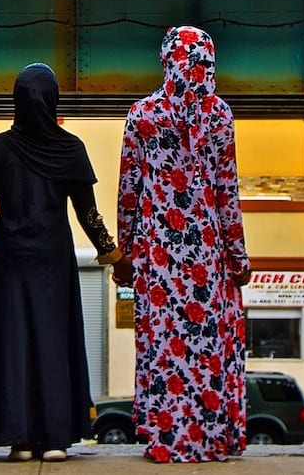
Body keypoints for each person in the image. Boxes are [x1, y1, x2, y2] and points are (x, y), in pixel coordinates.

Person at [0, 62, 129, 462]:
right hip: (53, 263)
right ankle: (55, 439)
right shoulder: (70, 148)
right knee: (53, 343)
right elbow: (88, 214)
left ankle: (21, 440)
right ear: (53, 101)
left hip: (11, 262)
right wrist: (115, 257)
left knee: (13, 345)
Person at [113, 26, 252, 463]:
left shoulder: (143, 114)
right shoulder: (220, 115)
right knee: (205, 344)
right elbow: (227, 192)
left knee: (164, 344)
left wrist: (124, 251)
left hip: (158, 256)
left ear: (166, 60)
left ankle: (165, 435)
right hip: (207, 256)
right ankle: (210, 436)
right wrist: (238, 256)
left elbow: (129, 192)